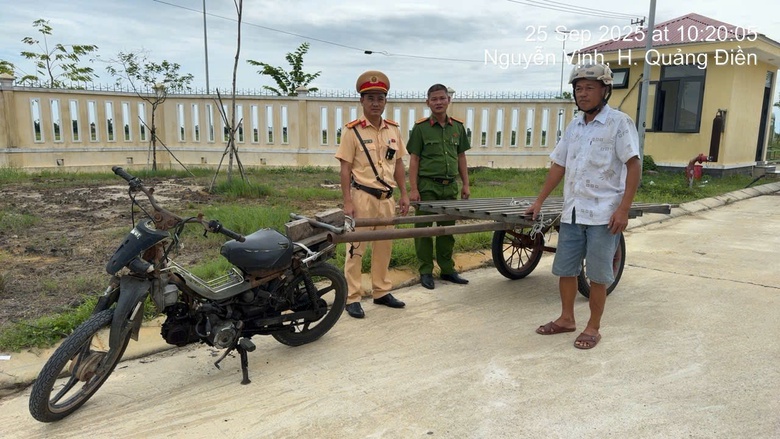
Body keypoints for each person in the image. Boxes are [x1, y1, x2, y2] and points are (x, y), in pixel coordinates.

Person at [524, 64, 640, 349]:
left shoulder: (619, 123)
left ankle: (593, 326)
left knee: (598, 275)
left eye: (589, 88)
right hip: (573, 211)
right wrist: (539, 201)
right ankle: (566, 319)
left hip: (604, 214)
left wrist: (623, 209)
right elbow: (559, 165)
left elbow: (634, 165)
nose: (583, 93)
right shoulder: (574, 126)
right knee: (566, 269)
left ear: (605, 90)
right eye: (579, 88)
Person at [335, 70, 410, 319]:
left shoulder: (393, 130)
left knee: (384, 247)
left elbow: (398, 164)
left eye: (380, 98)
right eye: (370, 98)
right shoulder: (352, 131)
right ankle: (353, 297)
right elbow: (345, 169)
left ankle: (381, 291)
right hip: (362, 198)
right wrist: (347, 202)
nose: (376, 103)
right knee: (356, 248)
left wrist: (405, 194)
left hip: (387, 199)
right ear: (362, 101)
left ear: (386, 101)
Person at [407, 84, 471, 290]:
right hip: (427, 186)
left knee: (447, 230)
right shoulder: (420, 128)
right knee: (423, 230)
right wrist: (414, 188)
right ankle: (425, 271)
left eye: (442, 98)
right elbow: (414, 159)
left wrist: (465, 184)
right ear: (428, 102)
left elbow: (461, 157)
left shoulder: (458, 128)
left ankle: (447, 269)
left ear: (448, 100)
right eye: (434, 99)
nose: (438, 102)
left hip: (450, 187)